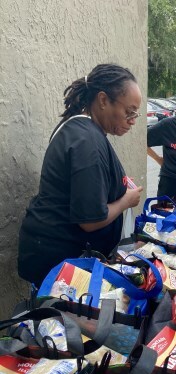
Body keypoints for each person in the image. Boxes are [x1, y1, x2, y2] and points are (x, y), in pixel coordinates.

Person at [18, 63, 143, 287]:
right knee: (55, 320)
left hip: (55, 253)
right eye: (129, 111)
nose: (133, 120)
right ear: (103, 100)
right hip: (58, 261)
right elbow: (90, 221)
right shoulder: (87, 141)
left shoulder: (79, 129)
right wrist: (126, 200)